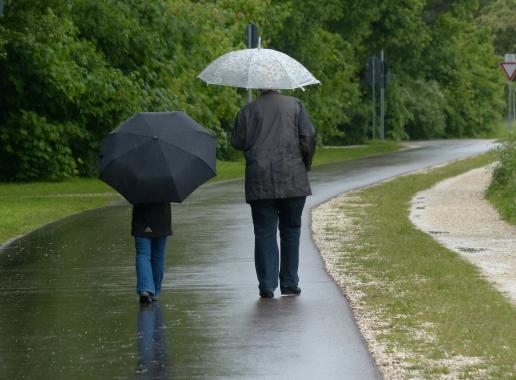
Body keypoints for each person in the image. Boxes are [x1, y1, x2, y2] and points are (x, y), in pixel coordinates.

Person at [231, 89, 316, 298]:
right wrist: (305, 164)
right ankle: (289, 282)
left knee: (264, 231)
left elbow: (237, 142)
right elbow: (309, 137)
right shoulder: (296, 105)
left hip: (260, 180)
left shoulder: (247, 111)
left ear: (259, 87)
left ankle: (267, 285)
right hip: (293, 177)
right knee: (291, 230)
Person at [132, 202, 172, 304]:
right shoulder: (166, 186)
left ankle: (145, 289)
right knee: (158, 256)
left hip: (141, 217)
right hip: (162, 218)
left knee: (142, 254)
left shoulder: (138, 186)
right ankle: (155, 291)